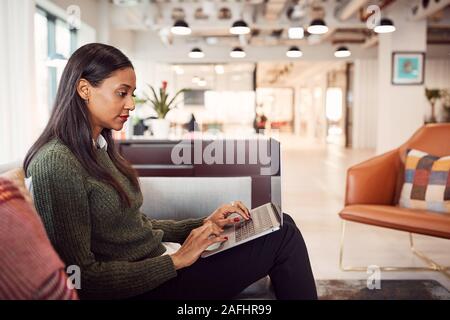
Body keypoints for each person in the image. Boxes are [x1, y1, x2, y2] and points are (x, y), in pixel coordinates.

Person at [23, 43, 317, 300]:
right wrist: (177, 260)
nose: (131, 104)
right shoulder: (57, 162)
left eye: (132, 94)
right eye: (122, 93)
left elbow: (134, 226)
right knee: (282, 236)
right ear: (84, 89)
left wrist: (205, 223)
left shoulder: (97, 148)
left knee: (279, 222)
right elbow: (80, 277)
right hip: (149, 285)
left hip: (162, 264)